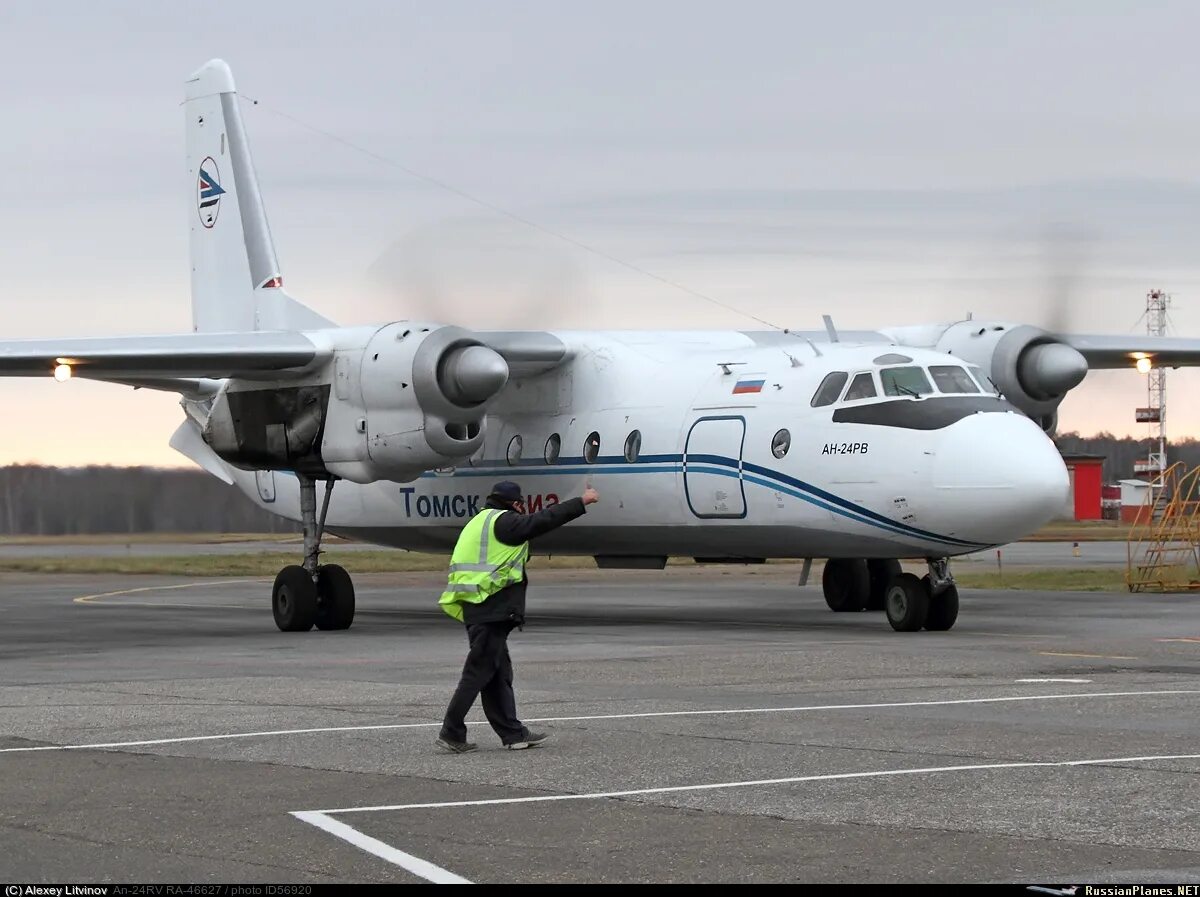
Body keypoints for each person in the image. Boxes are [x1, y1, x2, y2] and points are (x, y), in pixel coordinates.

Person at [436, 480, 599, 753]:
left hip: (477, 605)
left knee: (498, 673)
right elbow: (543, 520)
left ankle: (513, 734)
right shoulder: (504, 523)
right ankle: (451, 730)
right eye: (520, 504)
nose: (522, 509)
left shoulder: (480, 521)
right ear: (513, 503)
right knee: (477, 673)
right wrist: (582, 502)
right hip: (491, 607)